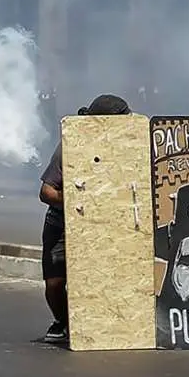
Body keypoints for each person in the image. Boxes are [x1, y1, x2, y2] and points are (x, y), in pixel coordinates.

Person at [38, 93, 132, 343]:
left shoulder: (130, 146)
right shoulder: (71, 146)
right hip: (63, 223)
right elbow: (46, 192)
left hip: (105, 224)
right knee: (55, 284)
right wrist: (83, 203)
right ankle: (62, 322)